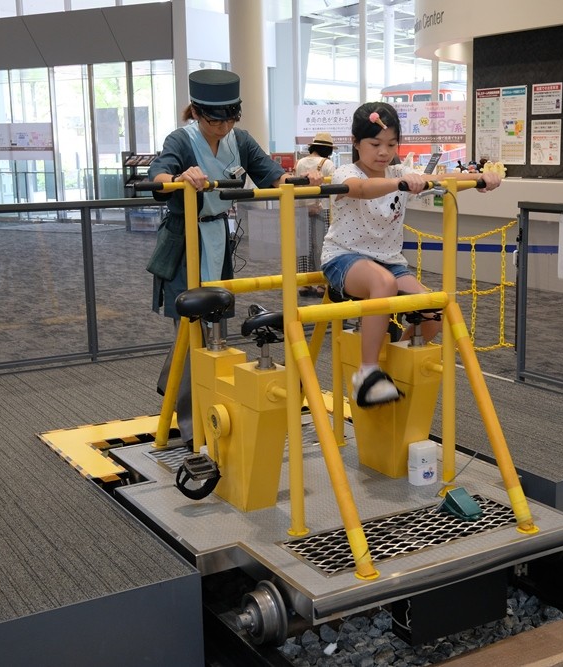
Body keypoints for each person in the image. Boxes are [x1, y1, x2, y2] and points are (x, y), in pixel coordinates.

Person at [147, 69, 323, 446]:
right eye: (215, 119)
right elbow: (158, 175)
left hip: (217, 238)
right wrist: (180, 177)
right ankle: (192, 425)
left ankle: (185, 390)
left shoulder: (239, 139)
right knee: (191, 326)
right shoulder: (181, 139)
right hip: (185, 241)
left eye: (231, 117)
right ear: (196, 112)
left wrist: (301, 182)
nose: (224, 126)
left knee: (214, 327)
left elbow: (271, 176)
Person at [321, 102, 501, 408]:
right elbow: (362, 189)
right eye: (375, 144)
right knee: (383, 283)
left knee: (433, 311)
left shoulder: (399, 171)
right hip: (344, 258)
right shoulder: (345, 172)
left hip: (390, 263)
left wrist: (479, 180)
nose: (383, 152)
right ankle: (366, 375)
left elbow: (443, 180)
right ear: (355, 142)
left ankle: (390, 367)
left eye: (391, 144)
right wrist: (401, 183)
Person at [295, 132, 337, 297]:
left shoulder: (300, 163)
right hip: (323, 209)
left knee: (304, 247)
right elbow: (334, 189)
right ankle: (321, 283)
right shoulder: (327, 164)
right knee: (322, 245)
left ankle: (304, 284)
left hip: (301, 210)